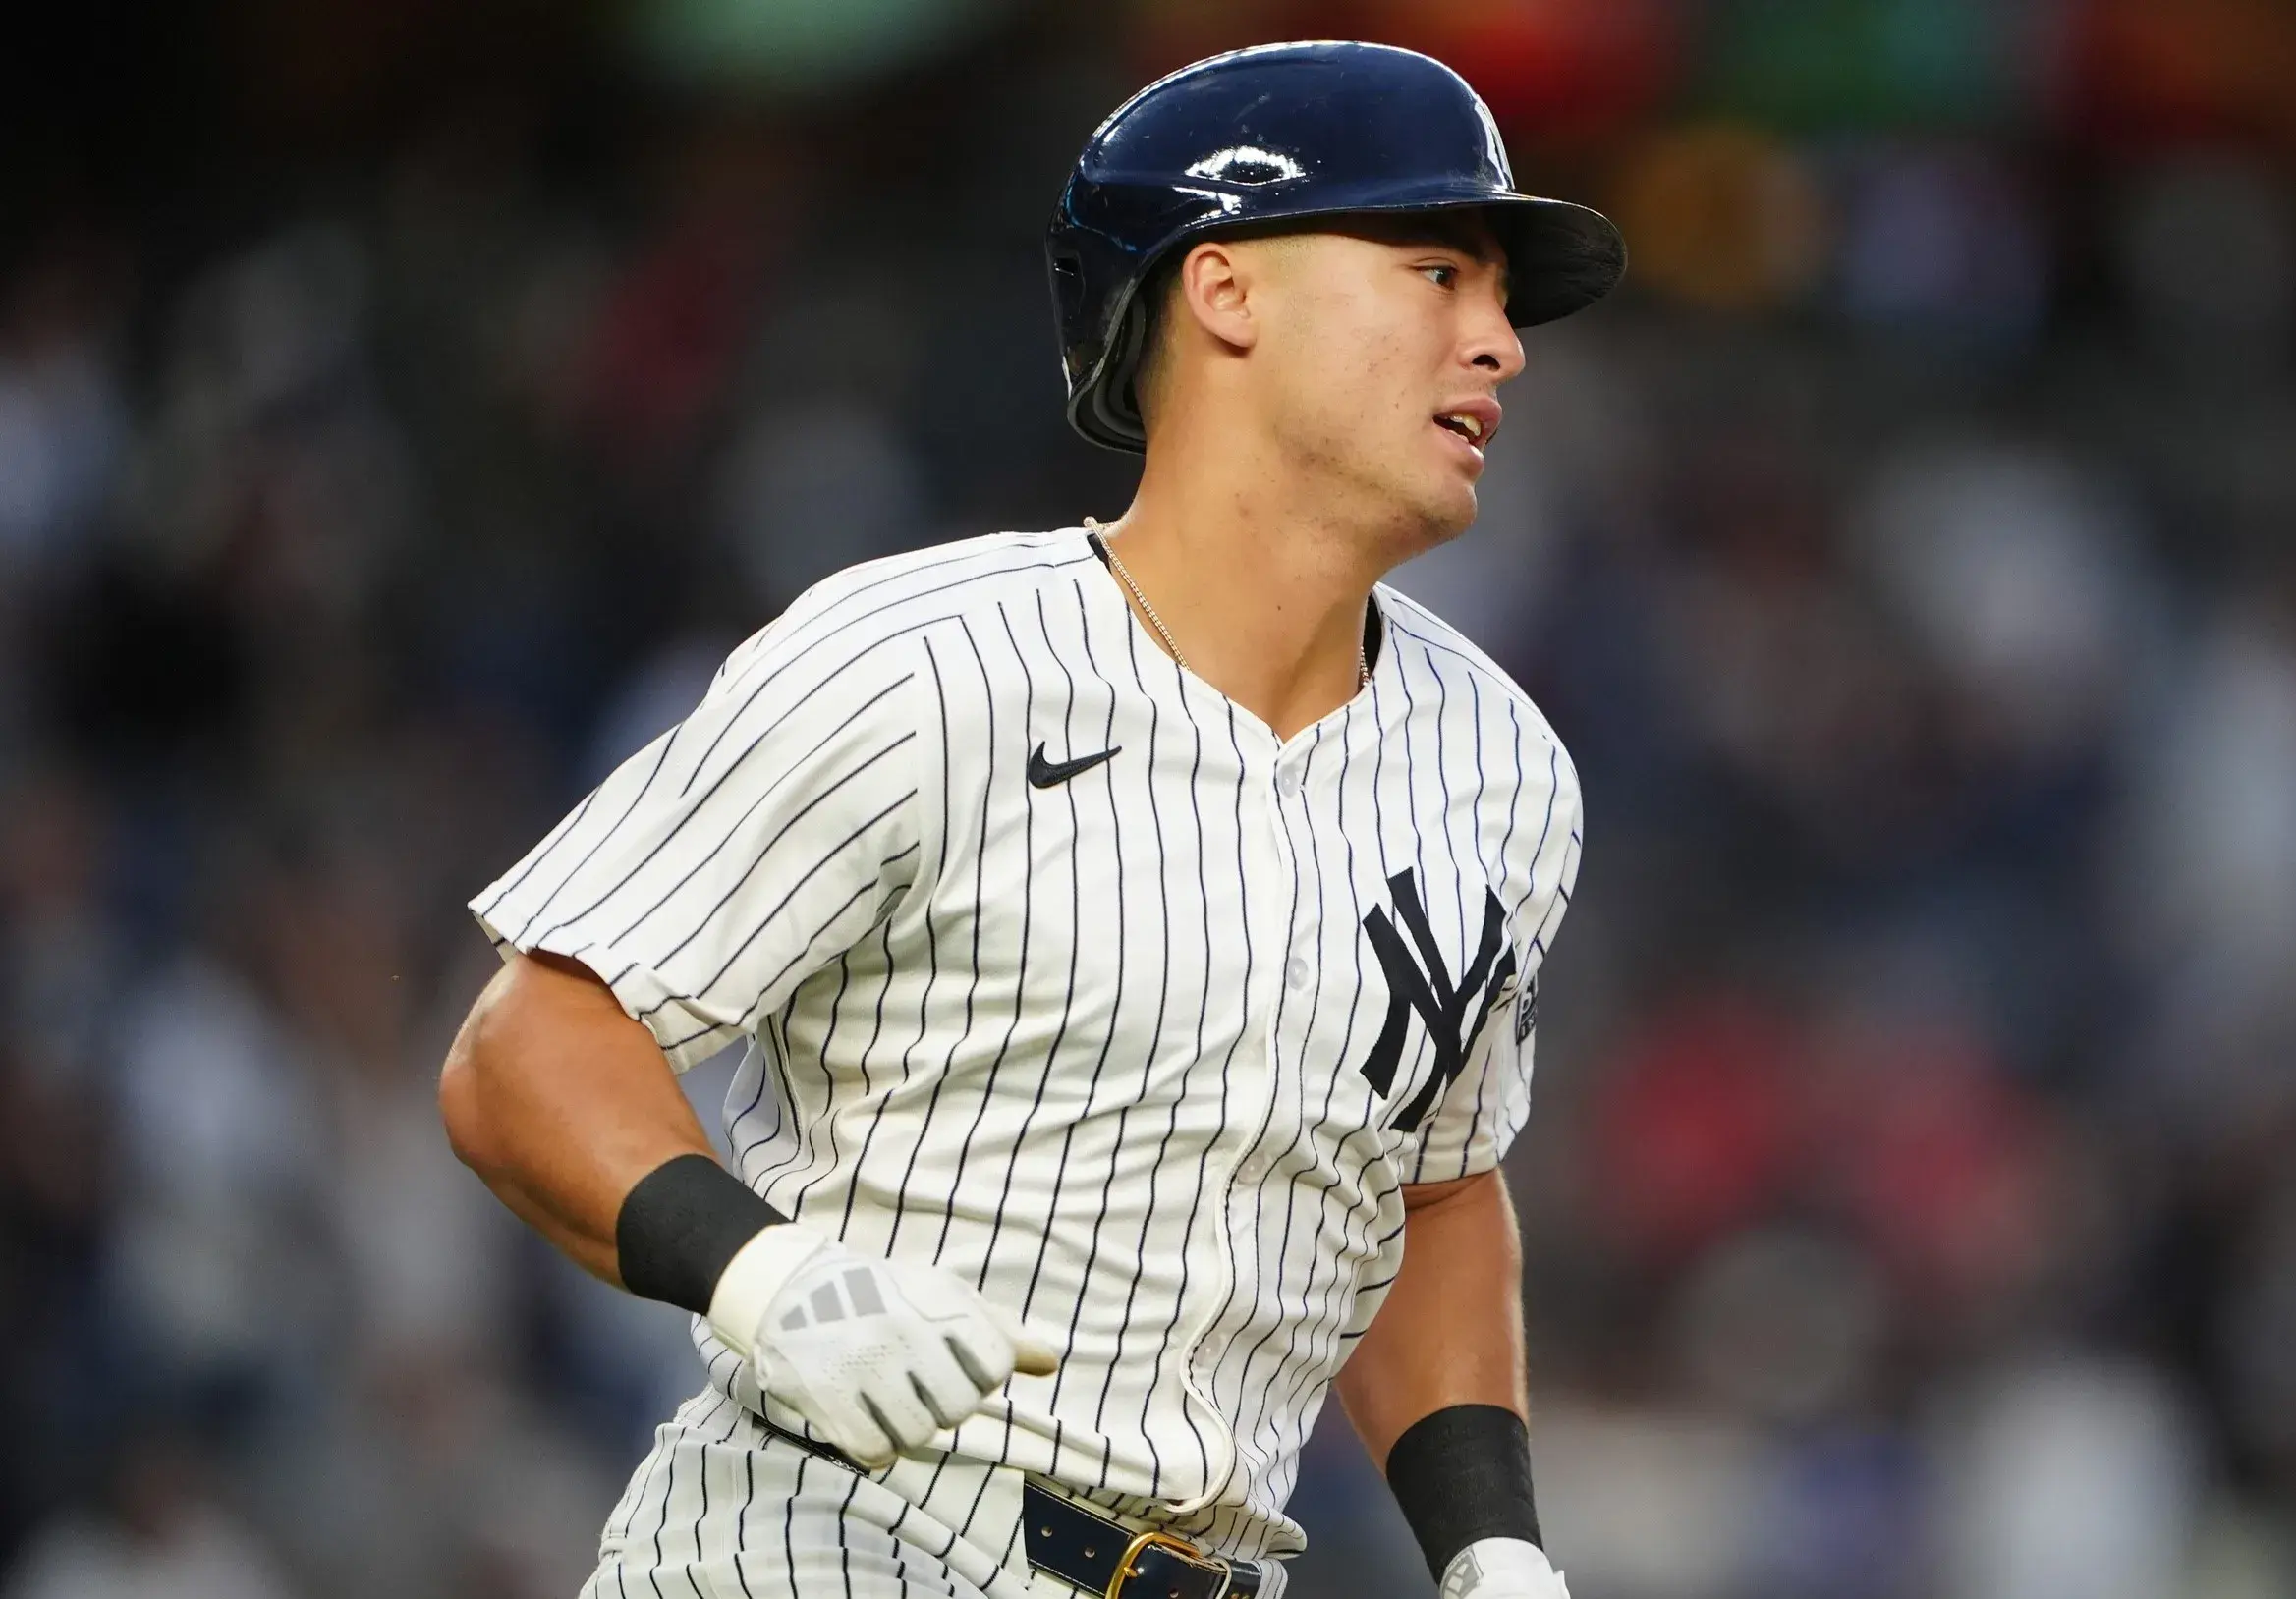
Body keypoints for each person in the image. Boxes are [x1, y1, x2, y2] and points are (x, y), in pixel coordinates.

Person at [439, 39, 1622, 1599]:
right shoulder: (927, 661)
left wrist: (1487, 1540)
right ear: (1226, 293)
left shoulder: (1503, 770)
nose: (1500, 342)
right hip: (831, 1543)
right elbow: (526, 1045)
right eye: (1434, 270)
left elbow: (1430, 1185)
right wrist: (764, 1271)